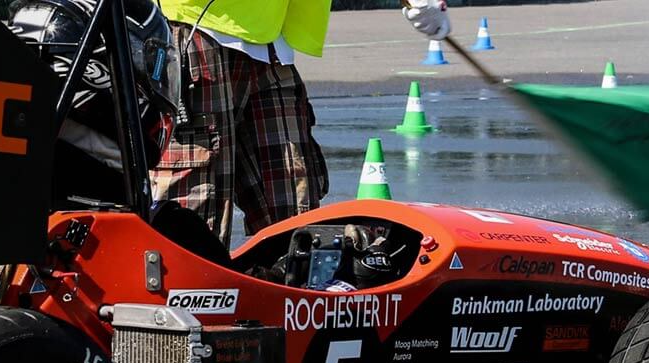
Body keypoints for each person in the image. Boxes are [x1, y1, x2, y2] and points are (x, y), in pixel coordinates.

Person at [151, 0, 450, 242]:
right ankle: (178, 304)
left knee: (294, 220)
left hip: (269, 38)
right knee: (194, 220)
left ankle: (283, 304)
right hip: (194, 26)